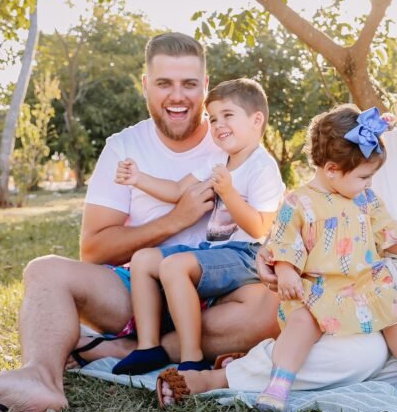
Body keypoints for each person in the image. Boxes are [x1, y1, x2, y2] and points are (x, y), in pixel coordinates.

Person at [0, 32, 281, 412]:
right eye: (164, 83)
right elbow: (95, 250)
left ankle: (125, 350)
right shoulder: (124, 146)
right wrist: (176, 219)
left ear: (205, 86)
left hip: (217, 294)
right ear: (146, 85)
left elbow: (265, 219)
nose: (178, 96)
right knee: (46, 271)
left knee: (274, 307)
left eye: (189, 84)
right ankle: (39, 379)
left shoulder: (233, 138)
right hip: (136, 288)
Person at [157, 49, 397, 407]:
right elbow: (311, 207)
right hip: (348, 289)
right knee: (359, 353)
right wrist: (272, 257)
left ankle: (294, 371)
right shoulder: (369, 147)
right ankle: (223, 376)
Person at [246, 104, 397, 412]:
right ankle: (279, 384)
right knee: (301, 322)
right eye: (364, 177)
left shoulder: (363, 197)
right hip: (319, 289)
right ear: (332, 169)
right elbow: (284, 241)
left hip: (364, 284)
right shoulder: (300, 202)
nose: (369, 183)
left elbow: (382, 226)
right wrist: (286, 272)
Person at [111, 79, 284, 376]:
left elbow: (259, 228)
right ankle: (148, 346)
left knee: (175, 267)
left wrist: (228, 193)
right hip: (215, 251)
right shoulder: (219, 159)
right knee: (143, 259)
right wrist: (139, 179)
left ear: (257, 120)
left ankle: (192, 358)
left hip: (247, 254)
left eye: (228, 115)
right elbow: (179, 190)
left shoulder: (262, 167)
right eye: (213, 118)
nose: (218, 125)